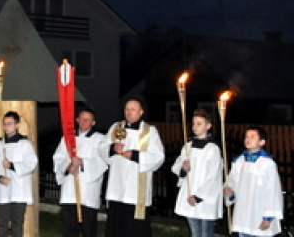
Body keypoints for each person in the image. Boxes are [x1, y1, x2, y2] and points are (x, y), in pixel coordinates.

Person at [98, 98, 165, 237]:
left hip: (135, 189)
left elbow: (158, 156)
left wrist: (135, 155)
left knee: (135, 228)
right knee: (116, 226)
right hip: (117, 186)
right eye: (127, 109)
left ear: (141, 112)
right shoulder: (116, 127)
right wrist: (112, 148)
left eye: (133, 109)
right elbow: (102, 148)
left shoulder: (149, 131)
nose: (129, 112)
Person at [52, 107, 107, 237]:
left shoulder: (100, 139)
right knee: (69, 227)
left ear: (93, 122)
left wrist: (82, 162)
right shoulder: (68, 138)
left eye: (88, 120)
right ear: (77, 120)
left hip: (87, 191)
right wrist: (68, 167)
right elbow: (58, 157)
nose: (84, 122)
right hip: (70, 188)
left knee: (88, 228)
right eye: (82, 119)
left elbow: (103, 160)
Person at [223, 126, 283, 237]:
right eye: (246, 136)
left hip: (259, 214)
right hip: (243, 215)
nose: (248, 139)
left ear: (262, 142)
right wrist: (229, 191)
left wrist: (268, 217)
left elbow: (272, 191)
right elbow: (232, 181)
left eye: (252, 137)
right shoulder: (239, 162)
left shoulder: (267, 164)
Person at [171, 109, 223, 237]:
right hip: (189, 195)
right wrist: (183, 169)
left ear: (208, 126)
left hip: (206, 198)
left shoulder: (213, 149)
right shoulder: (187, 146)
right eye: (194, 123)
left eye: (199, 124)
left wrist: (199, 196)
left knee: (206, 233)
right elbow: (176, 166)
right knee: (195, 233)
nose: (195, 126)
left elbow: (214, 176)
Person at [0, 111, 38, 237]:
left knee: (17, 223)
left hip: (19, 190)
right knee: (2, 224)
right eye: (5, 124)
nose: (7, 126)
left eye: (10, 123)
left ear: (17, 125)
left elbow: (32, 163)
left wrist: (13, 165)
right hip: (2, 190)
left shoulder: (25, 144)